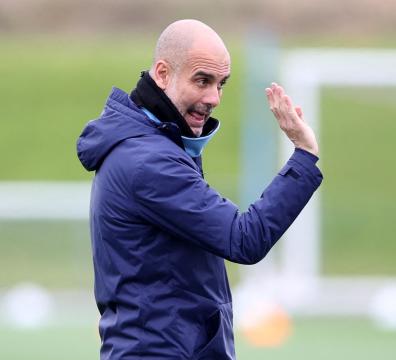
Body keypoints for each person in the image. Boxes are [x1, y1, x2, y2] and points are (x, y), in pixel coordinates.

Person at [76, 19, 322, 359]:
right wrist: (304, 157)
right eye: (202, 81)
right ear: (162, 74)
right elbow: (244, 239)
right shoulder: (149, 162)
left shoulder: (156, 146)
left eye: (221, 84)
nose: (214, 97)